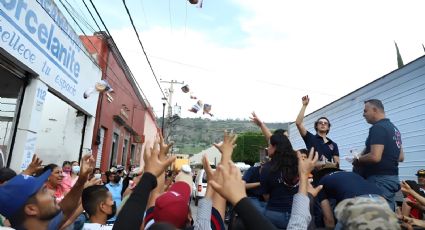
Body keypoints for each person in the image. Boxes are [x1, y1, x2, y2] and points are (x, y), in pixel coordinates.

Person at [0, 154, 95, 230]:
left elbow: (66, 210)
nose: (52, 194)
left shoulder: (48, 226)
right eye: (44, 190)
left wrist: (81, 181)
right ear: (31, 209)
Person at [352, 99, 404, 210]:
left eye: (365, 111)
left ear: (374, 110)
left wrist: (358, 159)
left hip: (379, 181)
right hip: (392, 179)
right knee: (387, 215)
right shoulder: (395, 129)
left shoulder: (378, 128)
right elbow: (400, 157)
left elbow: (375, 157)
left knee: (377, 219)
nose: (363, 114)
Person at [314, 168, 383, 228]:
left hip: (356, 202)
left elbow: (329, 221)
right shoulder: (352, 174)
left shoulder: (321, 183)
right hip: (380, 199)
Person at [260, 132, 299, 229]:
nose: (267, 148)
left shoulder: (266, 168)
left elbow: (265, 195)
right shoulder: (298, 164)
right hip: (297, 213)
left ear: (275, 147)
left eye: (269, 145)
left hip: (274, 214)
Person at [295, 95, 340, 166]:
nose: (323, 124)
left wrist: (328, 164)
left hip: (328, 174)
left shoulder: (333, 144)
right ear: (316, 126)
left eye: (325, 123)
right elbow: (298, 123)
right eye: (320, 122)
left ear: (328, 127)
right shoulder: (310, 138)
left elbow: (337, 164)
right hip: (313, 175)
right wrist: (304, 105)